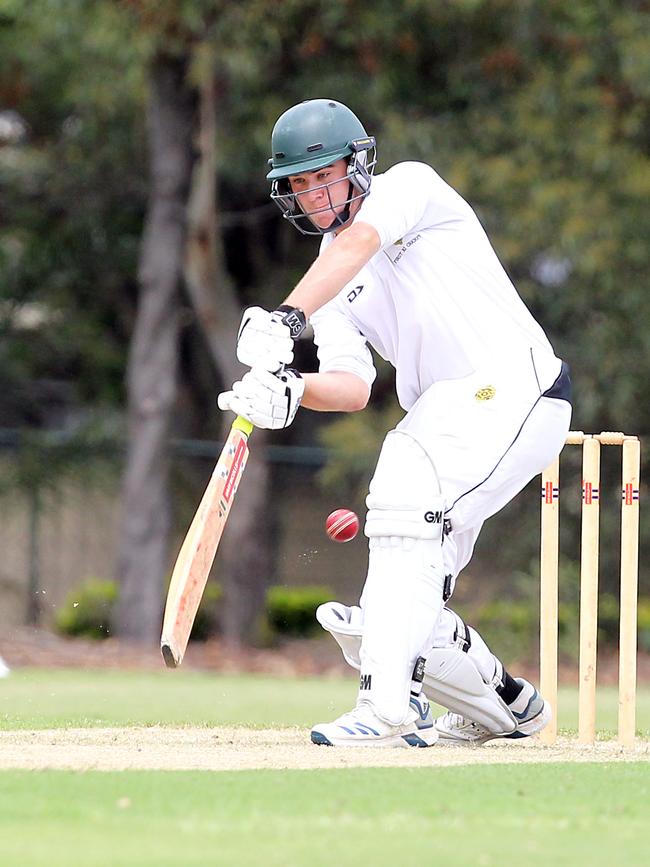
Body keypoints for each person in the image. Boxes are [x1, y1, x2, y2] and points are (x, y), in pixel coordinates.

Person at [218, 98, 571, 748]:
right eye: (299, 183)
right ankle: (507, 708)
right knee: (411, 592)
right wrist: (292, 390)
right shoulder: (328, 282)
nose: (314, 193)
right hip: (451, 416)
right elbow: (352, 388)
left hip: (516, 387)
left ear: (357, 165)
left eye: (323, 174)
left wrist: (284, 318)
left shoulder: (409, 188)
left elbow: (358, 243)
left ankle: (388, 704)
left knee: (402, 492)